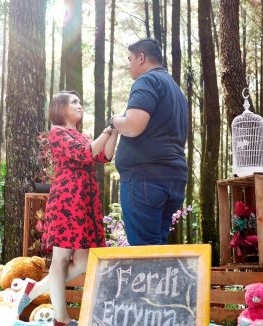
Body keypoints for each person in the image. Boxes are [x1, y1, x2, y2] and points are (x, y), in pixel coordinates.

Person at [15, 91, 118, 326]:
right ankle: (60, 318)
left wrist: (115, 130)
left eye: (80, 102)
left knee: (82, 261)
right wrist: (107, 129)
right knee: (61, 258)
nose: (79, 106)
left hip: (85, 201)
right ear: (60, 109)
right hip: (66, 200)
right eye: (74, 102)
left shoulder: (83, 136)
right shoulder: (57, 133)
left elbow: (105, 156)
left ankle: (35, 288)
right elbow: (84, 155)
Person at [110, 38, 188, 246]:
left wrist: (115, 121)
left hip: (146, 179)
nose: (129, 66)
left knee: (145, 251)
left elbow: (133, 126)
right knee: (157, 245)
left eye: (130, 59)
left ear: (141, 57)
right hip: (173, 178)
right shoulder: (176, 90)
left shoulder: (147, 81)